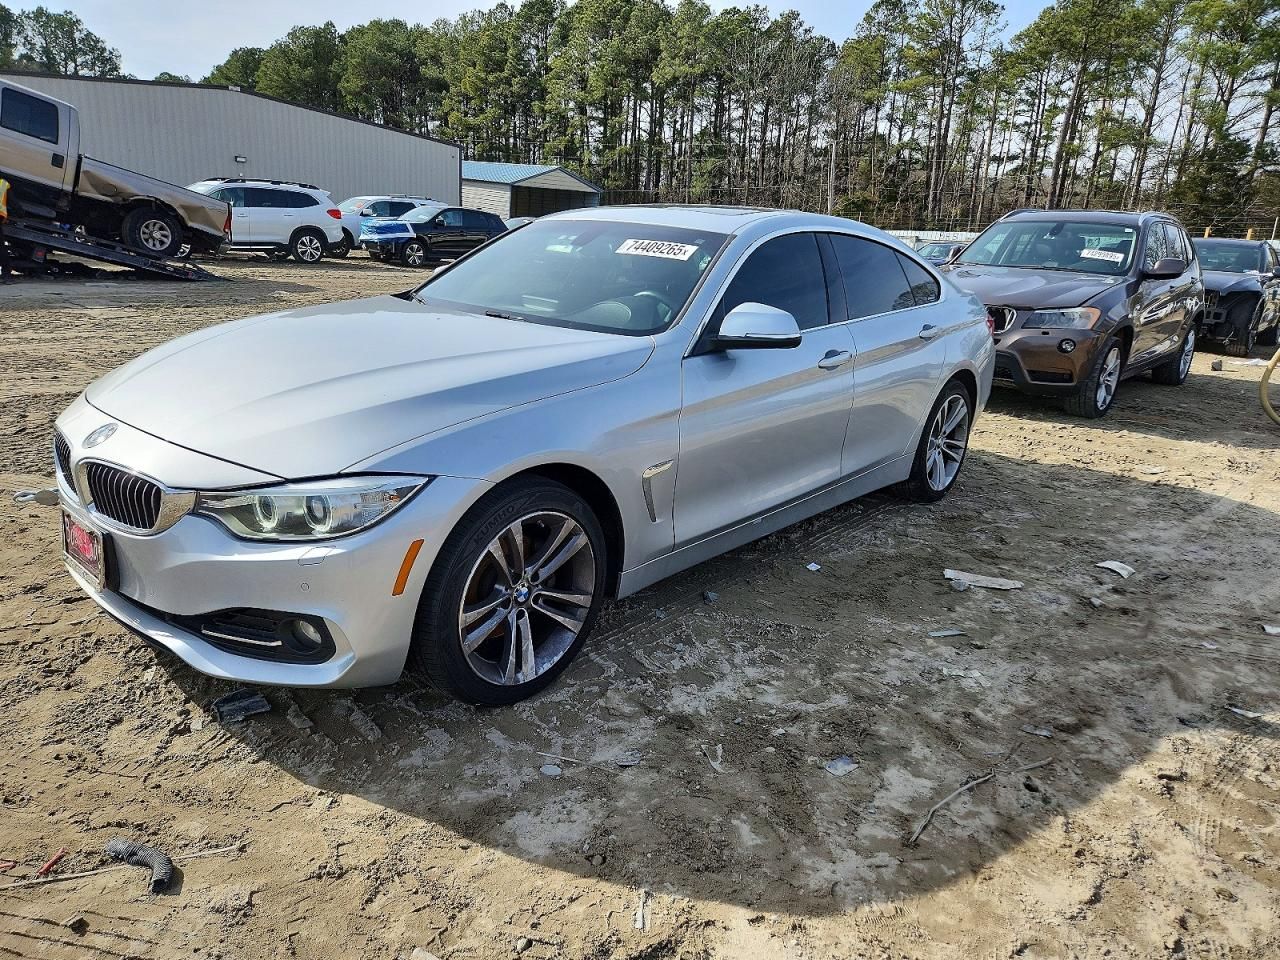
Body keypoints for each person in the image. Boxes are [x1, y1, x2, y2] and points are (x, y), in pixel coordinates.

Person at [0, 175, 13, 283]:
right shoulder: (3, 184)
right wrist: (21, 212)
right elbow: (13, 201)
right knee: (1, 248)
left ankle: (6, 275)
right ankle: (6, 275)